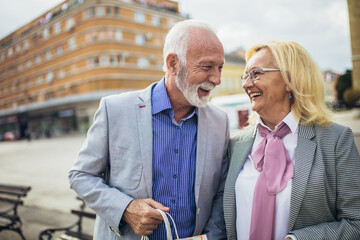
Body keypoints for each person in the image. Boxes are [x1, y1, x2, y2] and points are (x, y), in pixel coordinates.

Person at [69, 19, 229, 240]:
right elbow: (81, 175)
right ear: (173, 63)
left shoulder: (220, 121)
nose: (217, 79)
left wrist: (213, 235)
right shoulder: (115, 109)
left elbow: (221, 192)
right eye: (207, 67)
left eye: (220, 67)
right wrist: (125, 208)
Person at [223, 40, 360, 240]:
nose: (246, 83)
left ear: (290, 79)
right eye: (245, 75)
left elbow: (355, 223)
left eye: (256, 73)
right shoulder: (236, 145)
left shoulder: (337, 141)